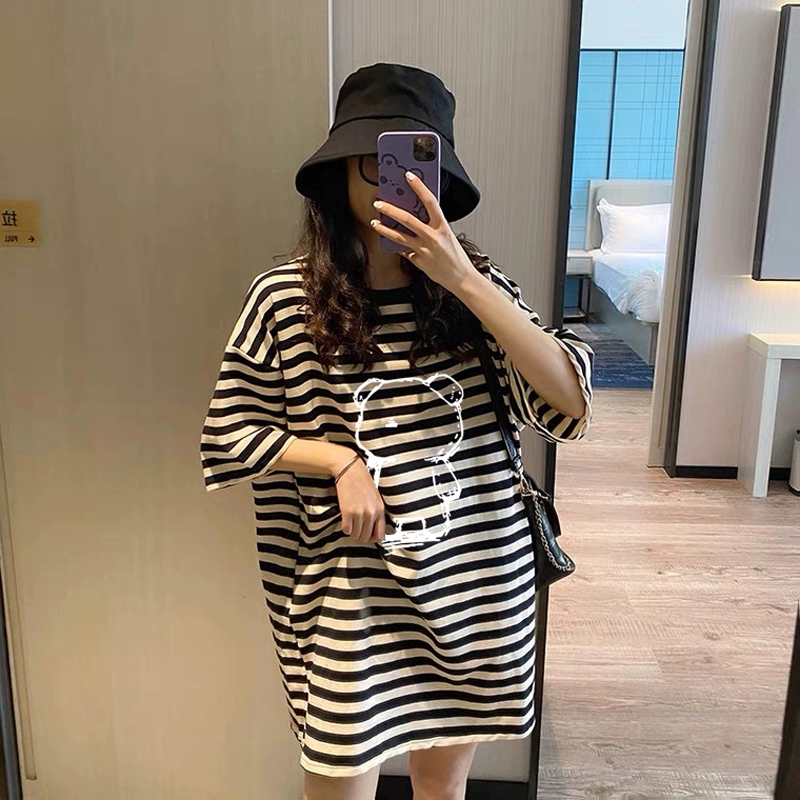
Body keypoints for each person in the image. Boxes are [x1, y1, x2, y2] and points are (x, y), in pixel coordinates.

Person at [199, 62, 594, 800]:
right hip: (351, 593)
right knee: (338, 779)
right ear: (339, 173)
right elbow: (229, 430)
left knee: (441, 789)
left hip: (475, 583)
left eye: (417, 162)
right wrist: (339, 460)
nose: (396, 183)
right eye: (374, 160)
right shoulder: (284, 297)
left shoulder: (477, 290)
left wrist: (464, 281)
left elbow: (568, 402)